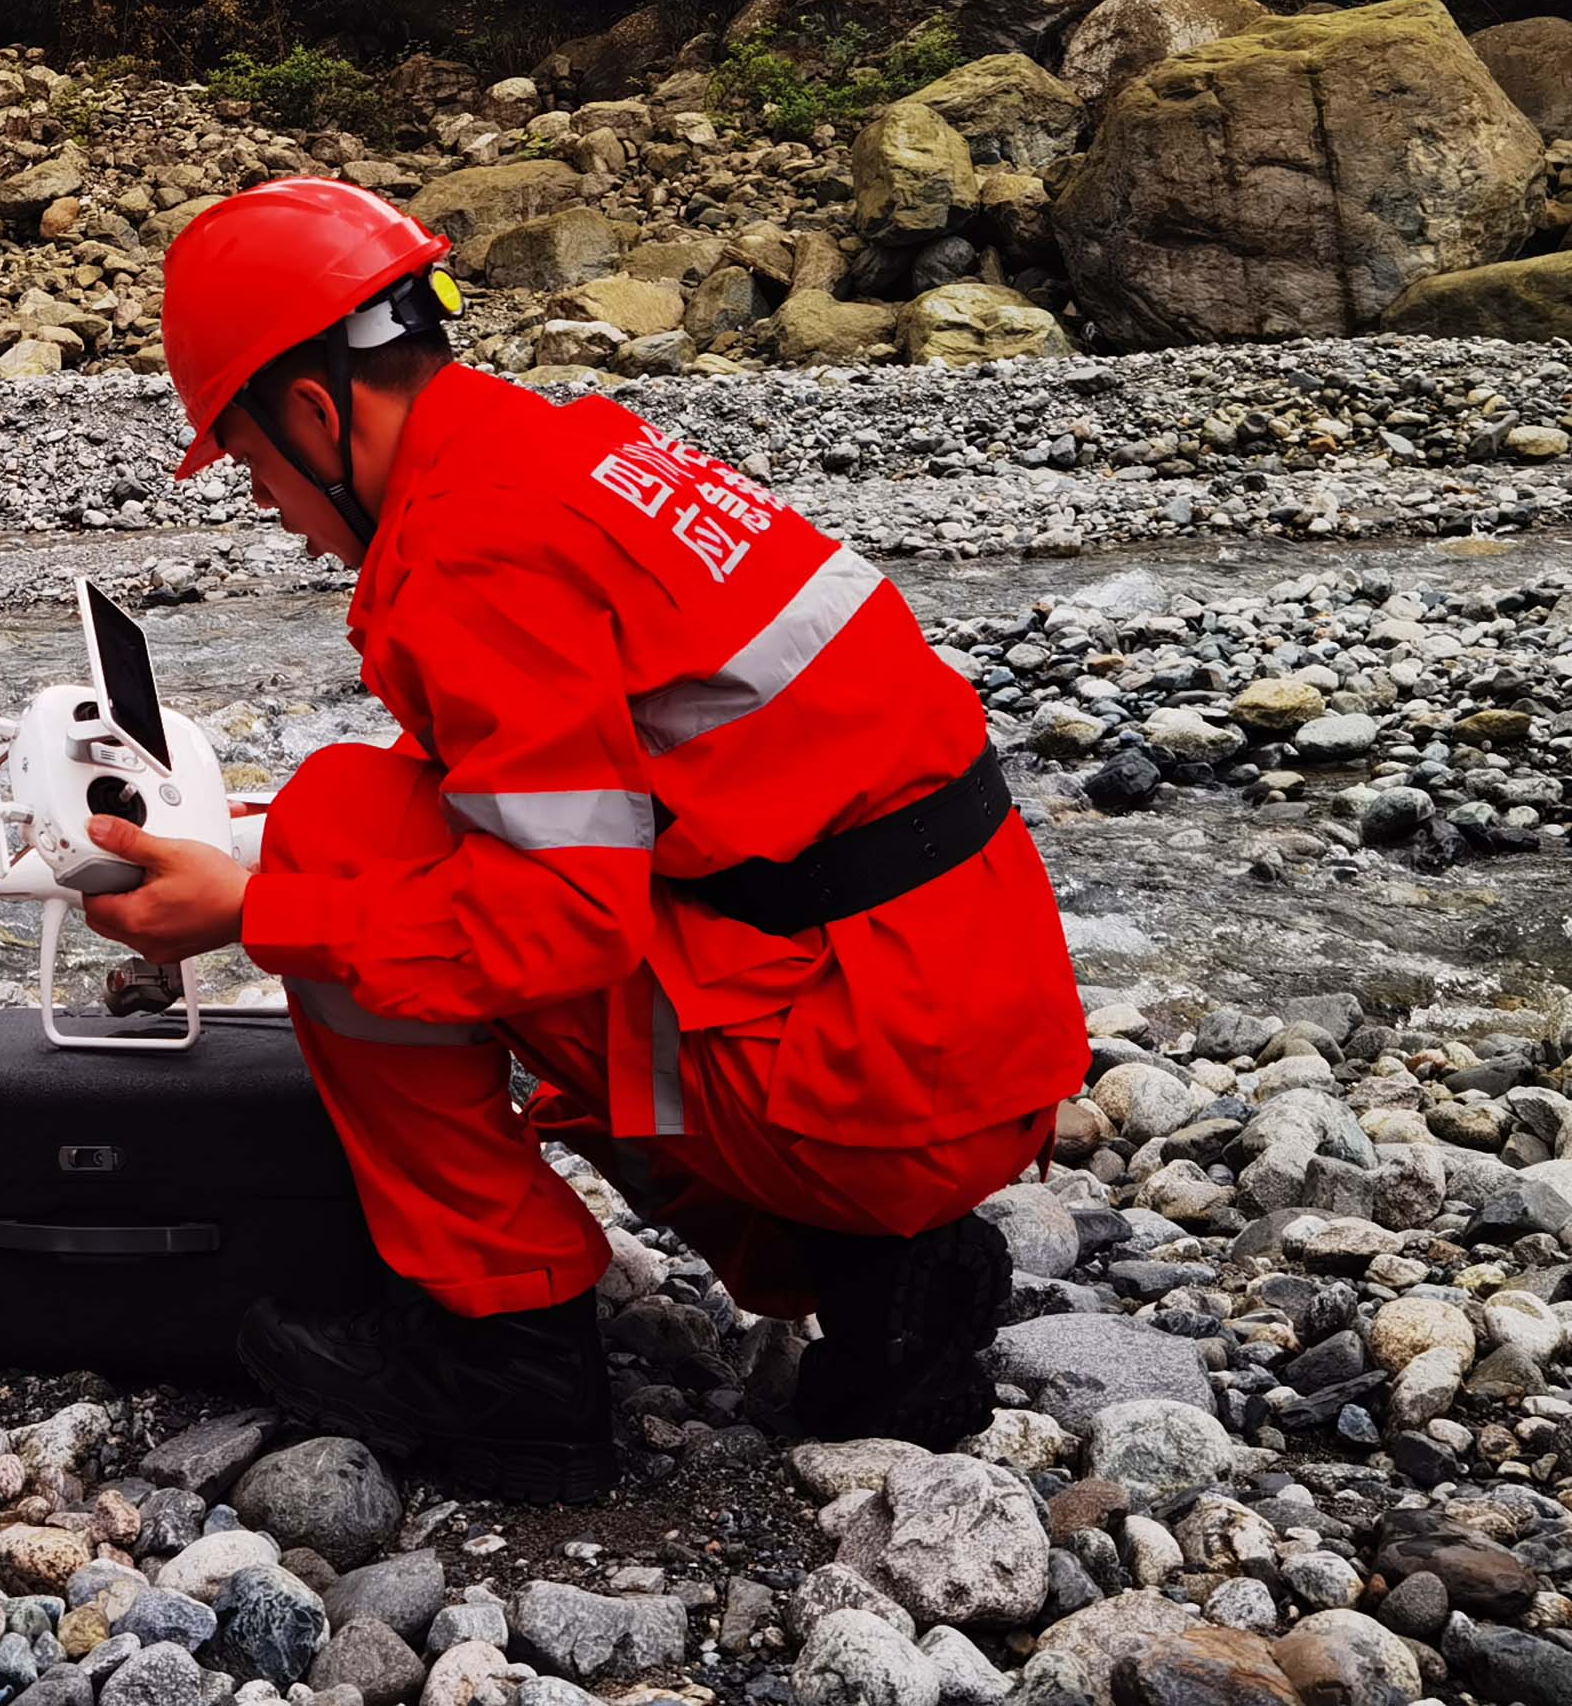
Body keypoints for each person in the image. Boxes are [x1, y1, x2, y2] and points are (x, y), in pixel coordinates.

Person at [81, 179, 1086, 1494]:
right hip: (955, 1039)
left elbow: (559, 924)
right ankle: (886, 1282)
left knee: (339, 853)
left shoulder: (470, 548)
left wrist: (250, 910)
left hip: (877, 1097)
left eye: (252, 462)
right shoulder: (566, 454)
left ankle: (505, 1369)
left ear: (317, 411)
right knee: (347, 825)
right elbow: (568, 788)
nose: (267, 501)